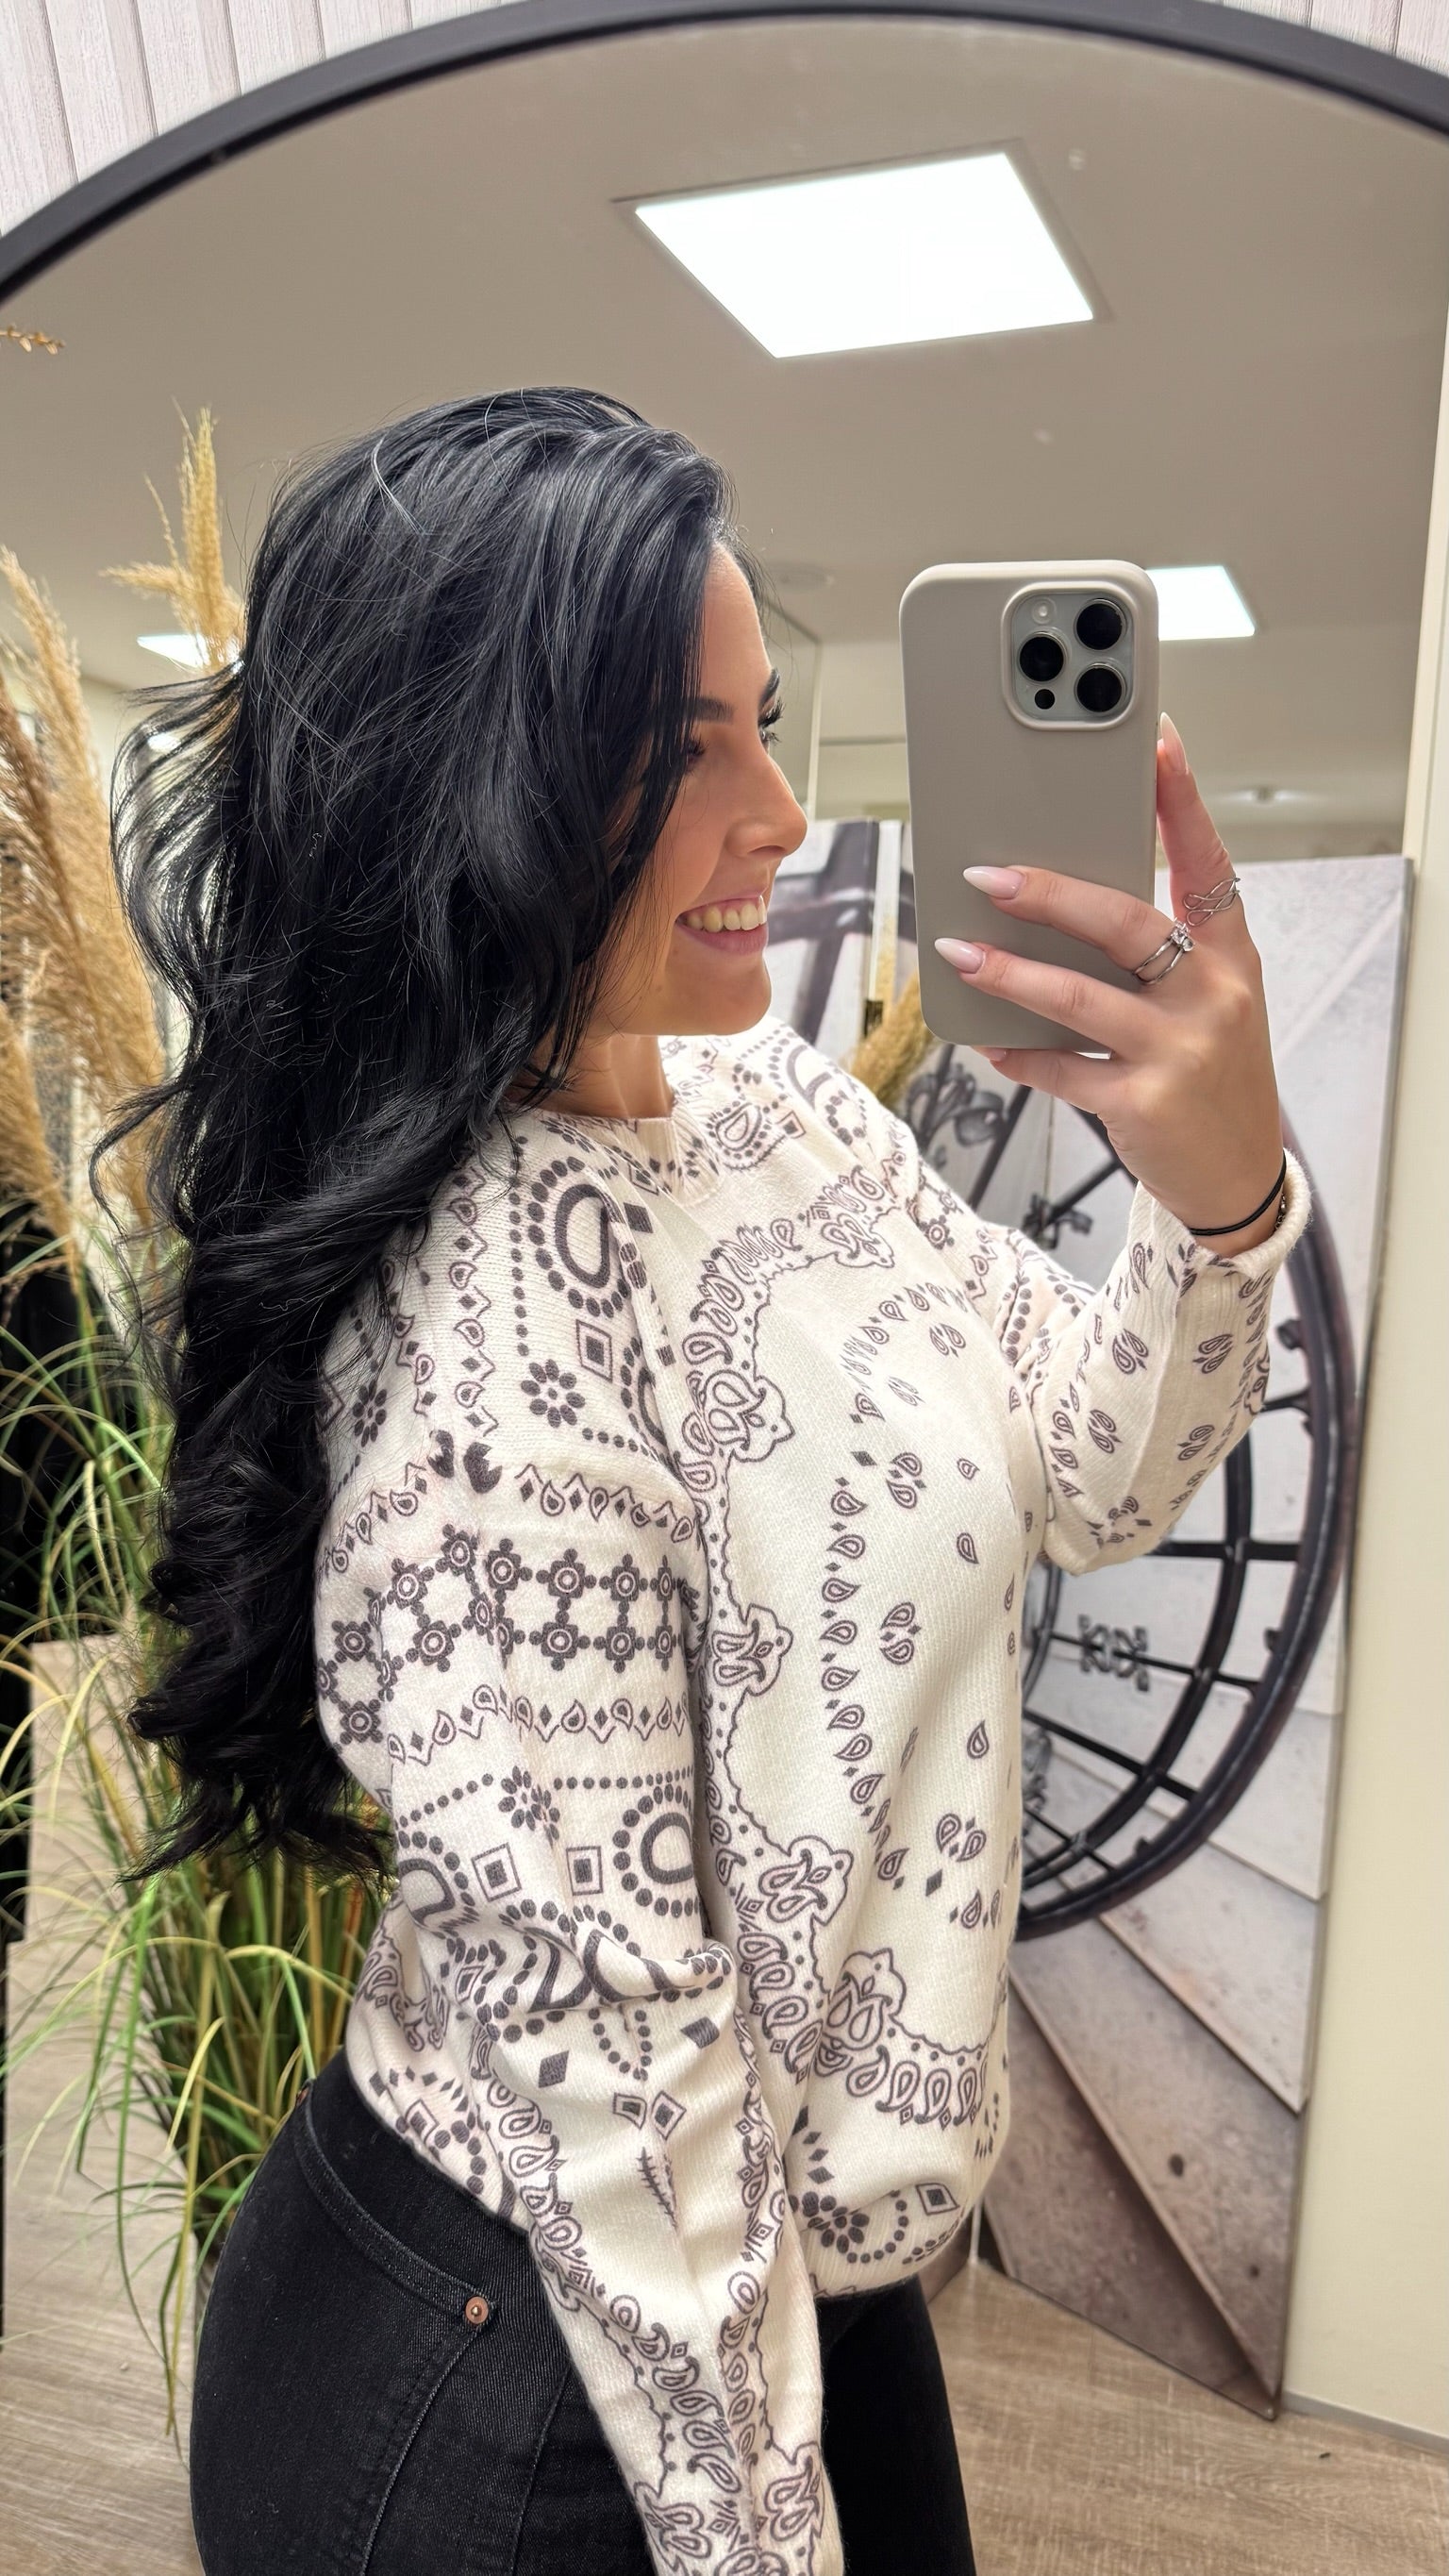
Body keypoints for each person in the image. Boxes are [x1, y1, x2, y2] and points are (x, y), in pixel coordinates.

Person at [99, 388, 1305, 2576]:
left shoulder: (770, 1103)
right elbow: (633, 2097)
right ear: (486, 786)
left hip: (799, 2271)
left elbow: (1090, 1470)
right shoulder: (483, 1350)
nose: (784, 812)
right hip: (533, 2351)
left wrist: (1217, 1205)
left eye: (764, 722)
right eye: (688, 752)